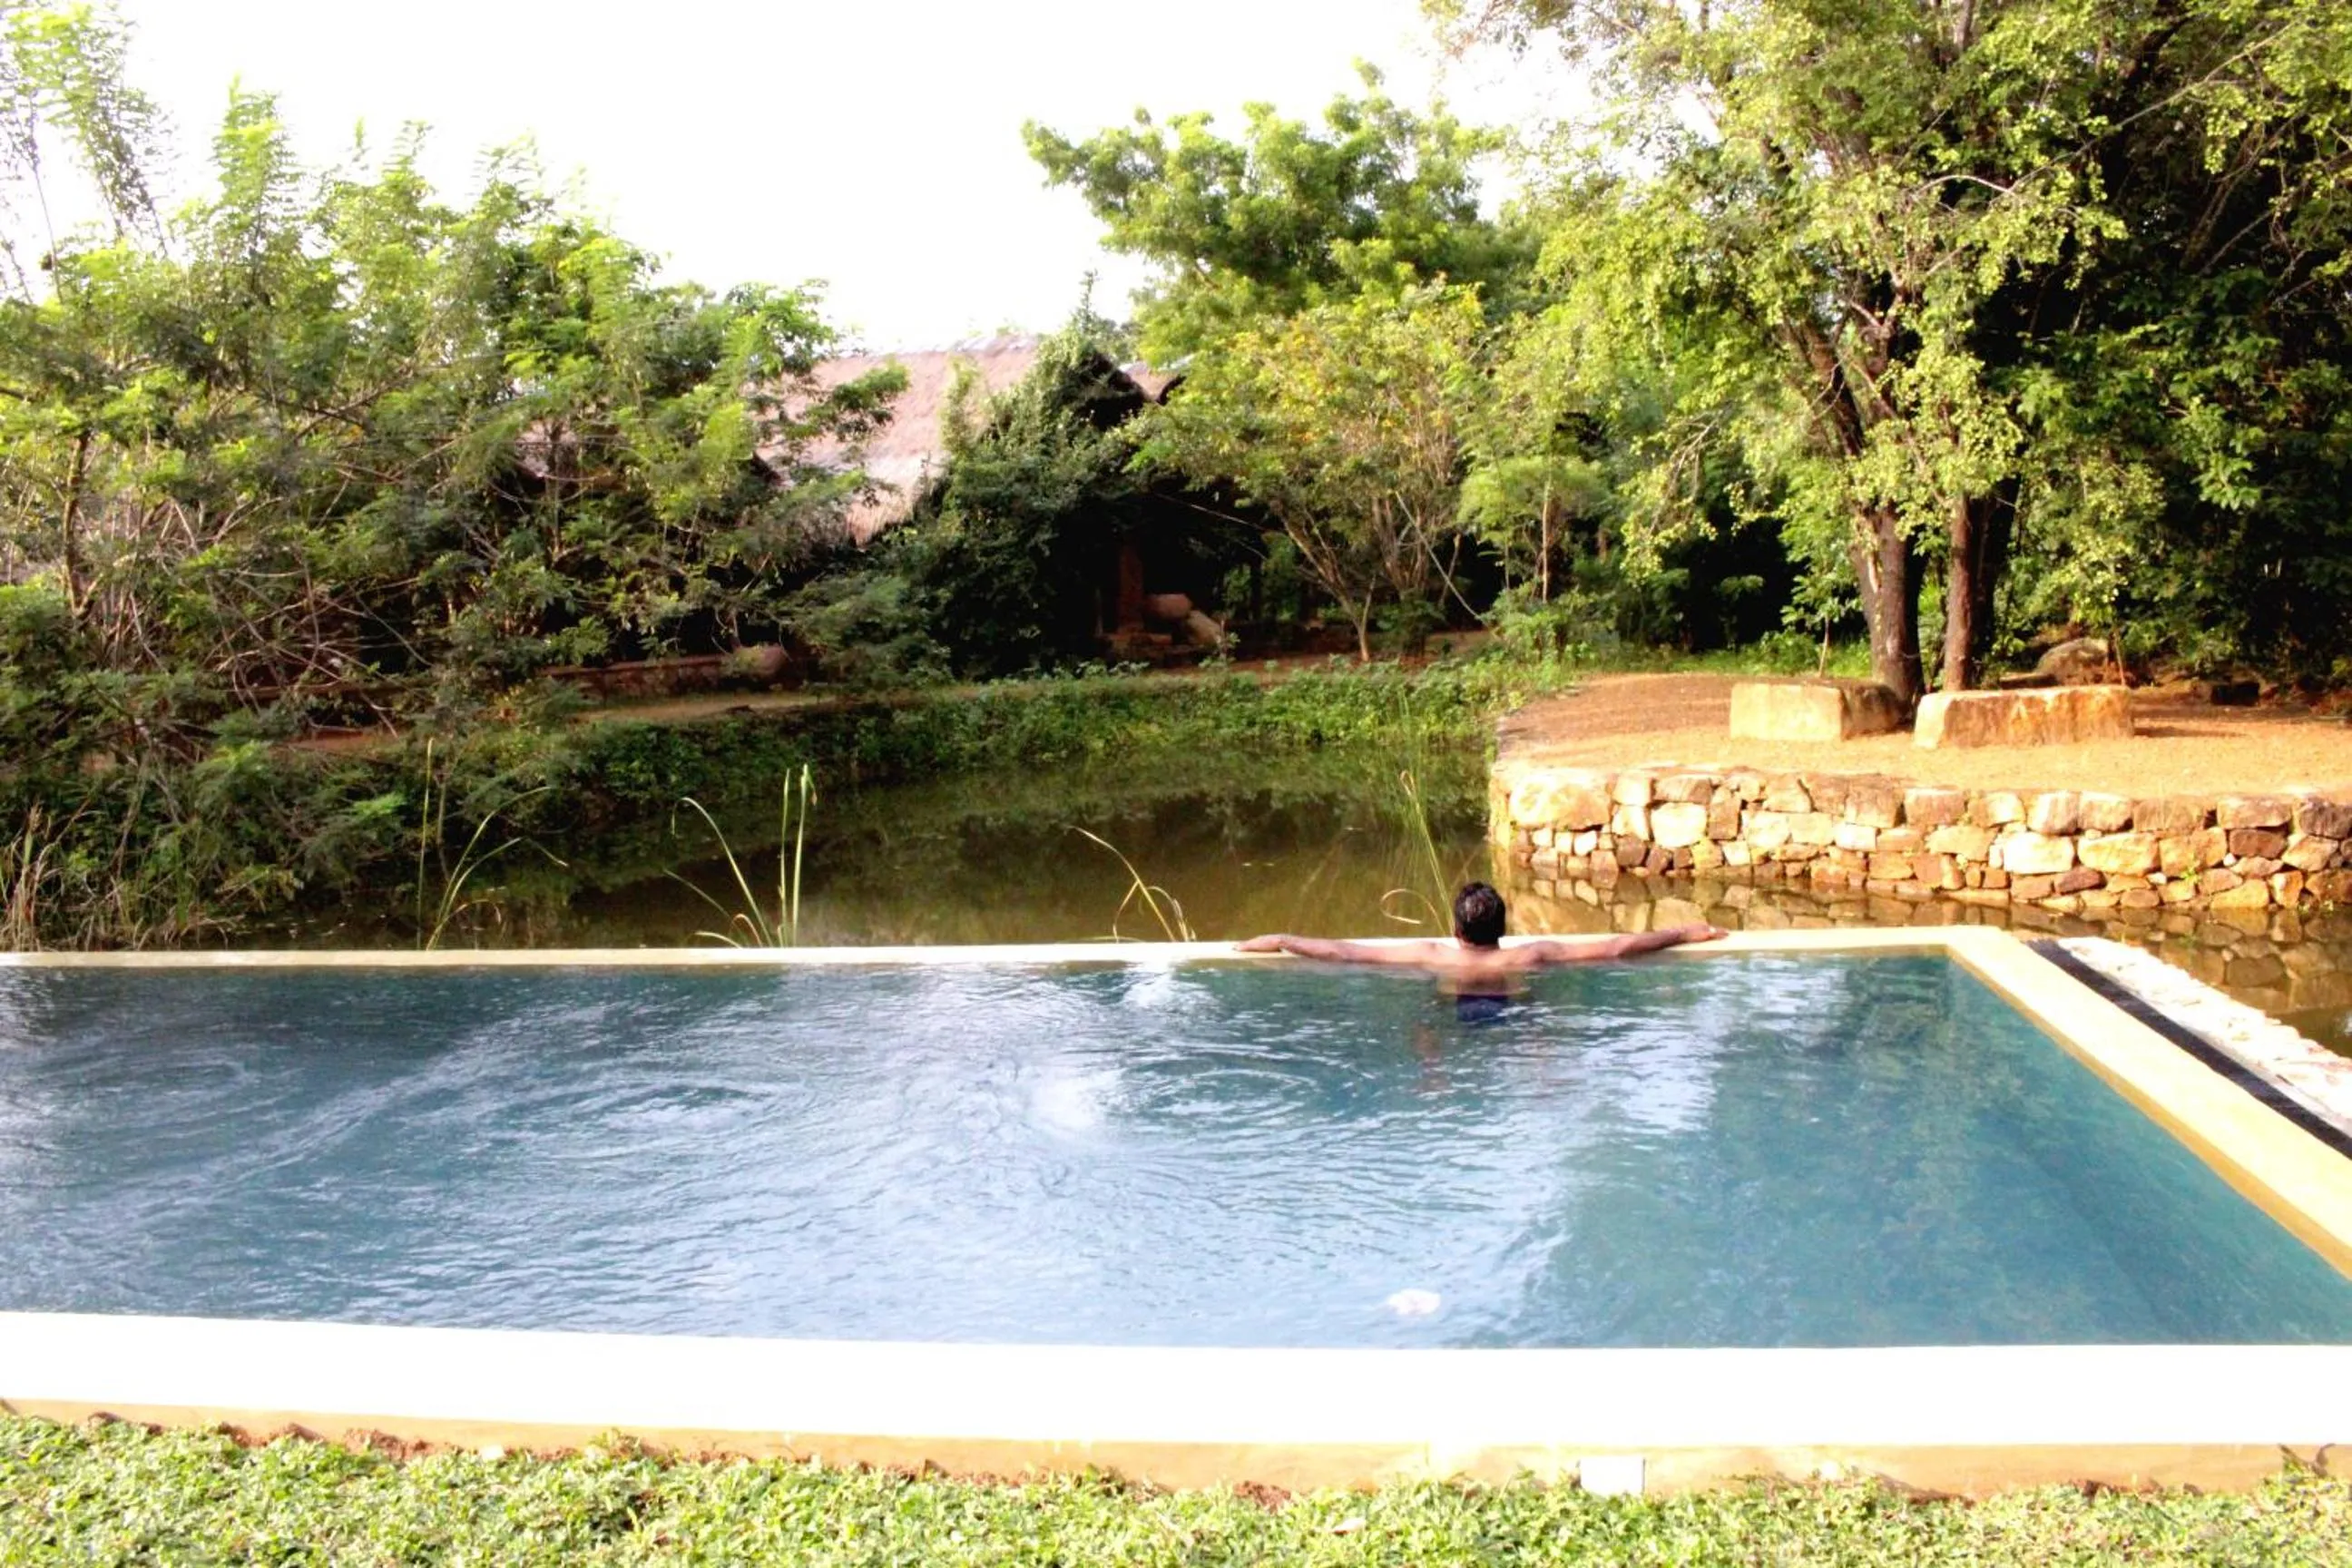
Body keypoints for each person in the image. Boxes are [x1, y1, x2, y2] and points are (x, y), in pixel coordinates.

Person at [1234, 881, 1726, 986]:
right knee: (1536, 1033)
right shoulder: (1531, 957)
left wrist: (1281, 938)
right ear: (1503, 927)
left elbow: (1342, 953)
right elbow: (1619, 947)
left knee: (1426, 1030)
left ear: (1455, 929)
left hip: (1455, 1013)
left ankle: (1433, 1068)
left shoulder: (1432, 956)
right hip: (1512, 1013)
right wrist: (1682, 931)